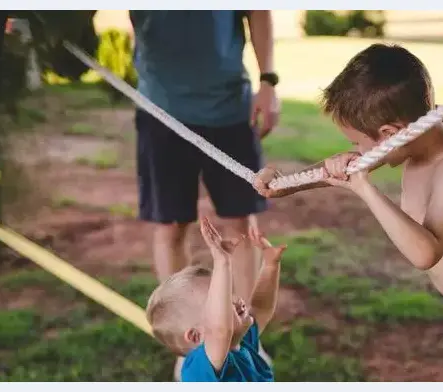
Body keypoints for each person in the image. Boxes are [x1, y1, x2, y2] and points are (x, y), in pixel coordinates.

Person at [254, 43, 443, 382]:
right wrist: (287, 184)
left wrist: (365, 189)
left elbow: (426, 253)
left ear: (390, 135)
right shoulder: (418, 129)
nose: (358, 153)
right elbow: (356, 162)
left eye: (358, 144)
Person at [129, 10, 279, 378]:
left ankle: (242, 334)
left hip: (228, 106)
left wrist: (268, 81)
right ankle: (196, 344)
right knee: (170, 226)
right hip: (160, 107)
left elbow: (258, 11)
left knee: (239, 225)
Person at [146, 216, 286, 382]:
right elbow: (219, 330)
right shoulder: (200, 366)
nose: (235, 299)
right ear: (196, 337)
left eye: (228, 293)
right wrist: (222, 262)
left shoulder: (239, 342)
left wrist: (270, 265)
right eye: (222, 301)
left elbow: (260, 308)